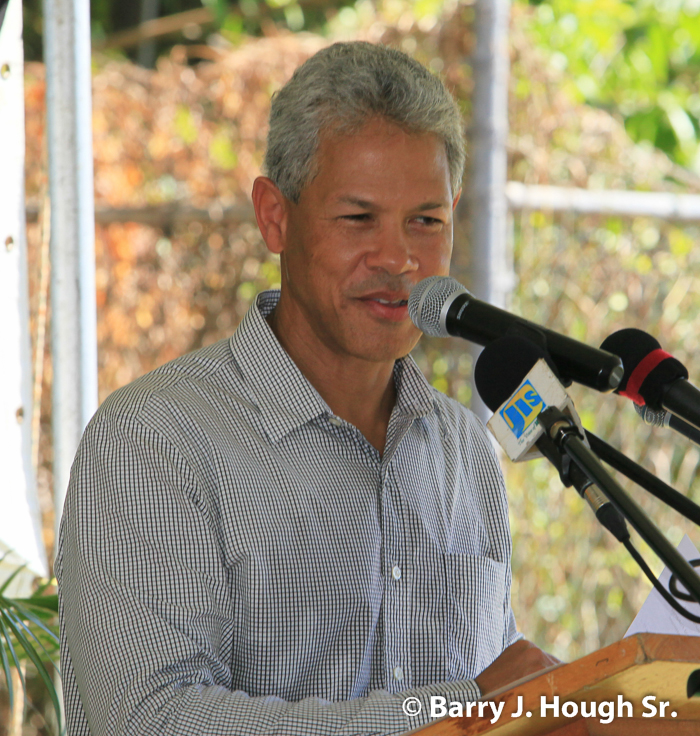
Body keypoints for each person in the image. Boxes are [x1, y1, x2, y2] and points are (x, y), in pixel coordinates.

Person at [57, 41, 557, 736]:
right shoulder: (154, 442)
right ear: (275, 217)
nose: (399, 258)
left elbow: (494, 702)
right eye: (359, 219)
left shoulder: (465, 452)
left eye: (427, 220)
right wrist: (451, 711)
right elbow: (150, 720)